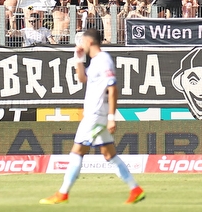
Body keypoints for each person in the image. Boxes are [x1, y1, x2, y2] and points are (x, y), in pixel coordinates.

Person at [41, 29, 145, 205]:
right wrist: (78, 59)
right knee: (108, 153)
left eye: (82, 42)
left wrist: (112, 116)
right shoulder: (96, 61)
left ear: (89, 42)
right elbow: (82, 79)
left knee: (77, 151)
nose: (80, 45)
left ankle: (63, 193)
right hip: (96, 114)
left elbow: (113, 88)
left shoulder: (103, 60)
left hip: (96, 114)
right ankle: (135, 189)